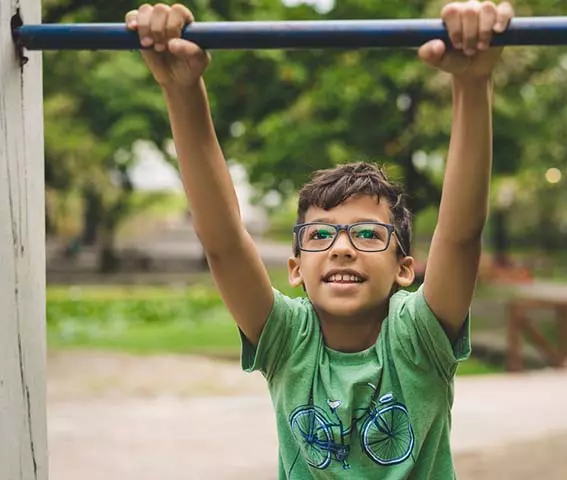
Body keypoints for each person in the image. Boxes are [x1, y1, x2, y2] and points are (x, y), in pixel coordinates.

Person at [125, 1, 513, 477]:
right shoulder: (289, 339)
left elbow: (460, 236)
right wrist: (182, 90)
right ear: (295, 270)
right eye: (320, 235)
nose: (341, 247)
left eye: (368, 233)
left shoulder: (418, 337)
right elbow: (224, 242)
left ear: (405, 268)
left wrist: (472, 84)